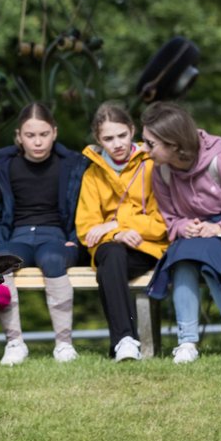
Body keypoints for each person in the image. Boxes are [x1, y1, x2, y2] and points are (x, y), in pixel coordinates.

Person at [142, 102, 221, 363]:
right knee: (182, 260)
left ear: (173, 144)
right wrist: (183, 226)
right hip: (198, 239)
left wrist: (220, 226)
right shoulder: (162, 171)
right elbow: (170, 218)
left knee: (209, 257)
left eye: (150, 143)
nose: (144, 150)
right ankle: (187, 343)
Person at [0, 103, 89, 364]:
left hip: (56, 238)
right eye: (30, 136)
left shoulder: (72, 166)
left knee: (53, 260)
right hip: (17, 238)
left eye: (43, 134)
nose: (38, 142)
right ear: (19, 136)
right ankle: (15, 342)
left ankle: (64, 344)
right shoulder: (4, 168)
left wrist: (74, 239)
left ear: (54, 132)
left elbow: (84, 207)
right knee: (0, 261)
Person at [75, 102, 168, 361]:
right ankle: (126, 340)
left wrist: (117, 225)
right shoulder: (92, 174)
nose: (117, 143)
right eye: (108, 138)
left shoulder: (152, 165)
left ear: (132, 130)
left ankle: (123, 340)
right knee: (112, 256)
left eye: (121, 135)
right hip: (110, 249)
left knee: (109, 266)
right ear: (98, 139)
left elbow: (162, 222)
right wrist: (115, 235)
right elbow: (87, 229)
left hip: (146, 246)